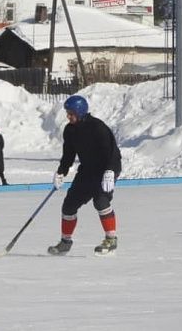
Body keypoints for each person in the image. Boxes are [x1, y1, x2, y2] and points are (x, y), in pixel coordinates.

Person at [48, 95, 122, 256]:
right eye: (67, 113)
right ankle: (65, 242)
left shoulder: (98, 127)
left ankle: (111, 240)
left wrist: (110, 171)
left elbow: (113, 153)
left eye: (71, 113)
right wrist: (61, 171)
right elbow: (68, 154)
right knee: (69, 205)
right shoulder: (70, 130)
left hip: (106, 169)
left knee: (101, 201)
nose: (68, 116)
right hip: (88, 170)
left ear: (80, 112)